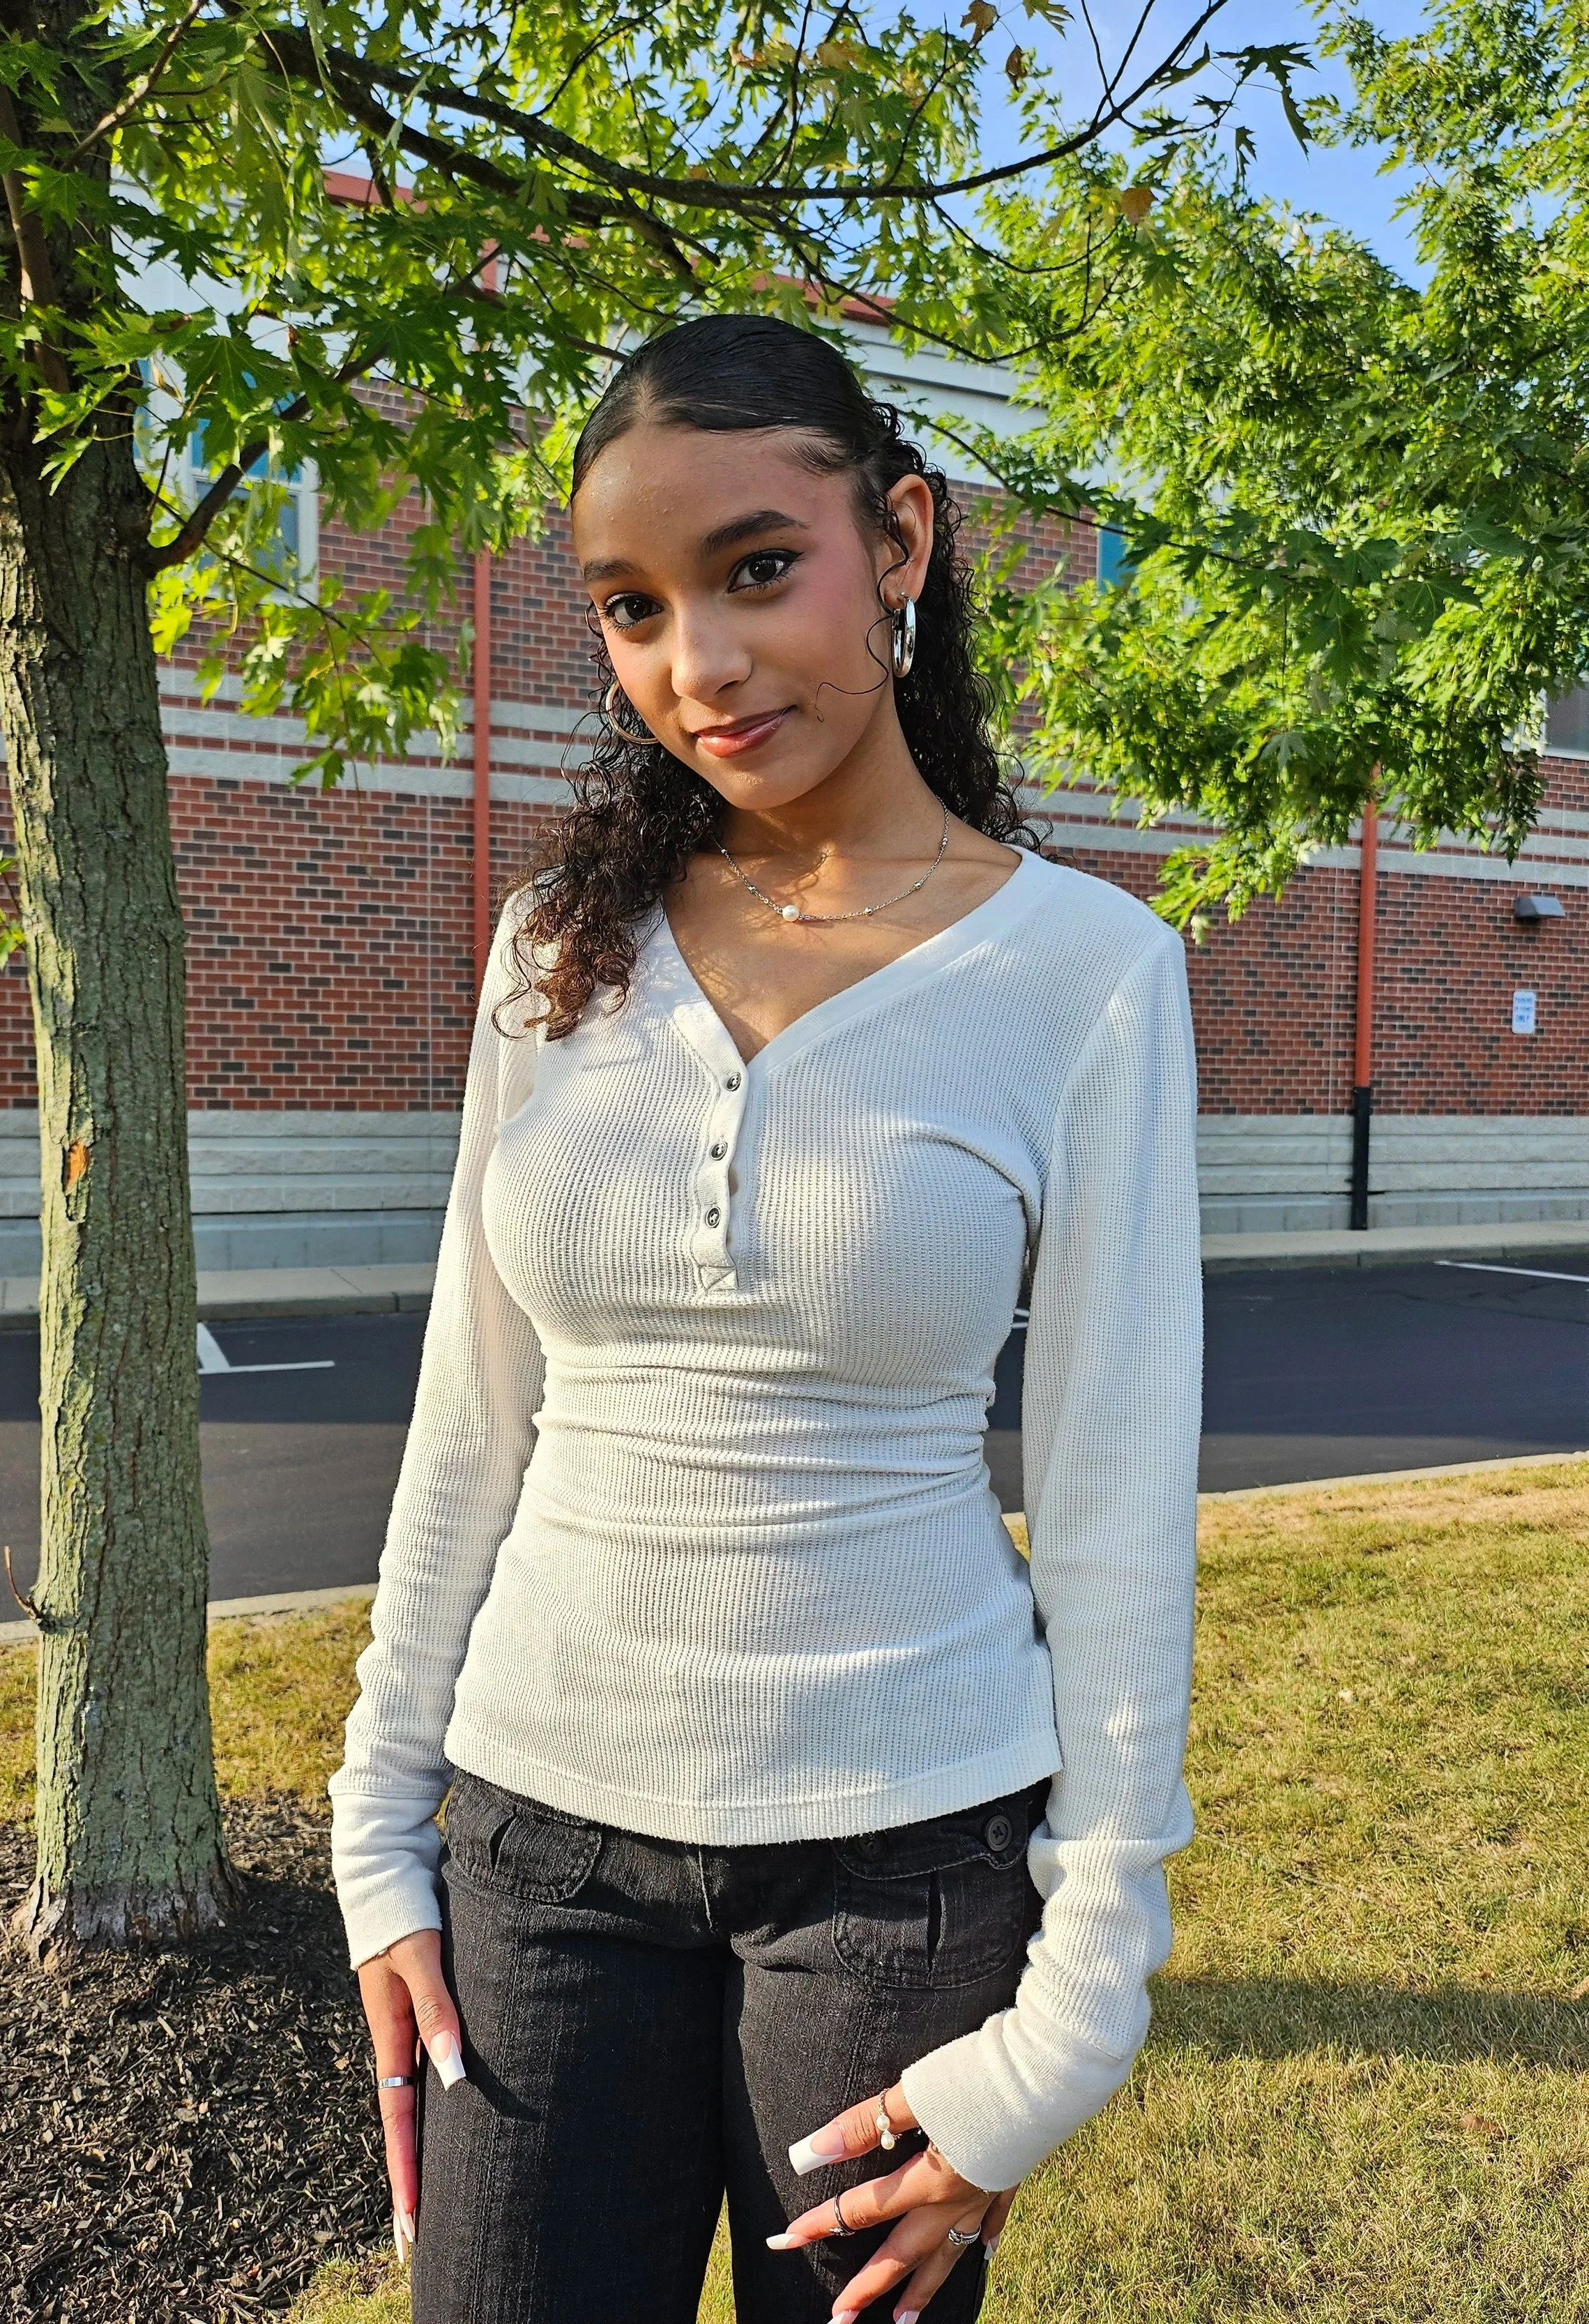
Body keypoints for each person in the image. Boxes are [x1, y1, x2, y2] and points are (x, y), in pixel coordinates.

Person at [328, 311, 1203, 2324]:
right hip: (537, 1842)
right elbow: (475, 1407)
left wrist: (1074, 2010)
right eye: (628, 609)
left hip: (897, 1860)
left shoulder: (1082, 974)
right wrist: (383, 1834)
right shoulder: (557, 948)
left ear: (897, 538)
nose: (693, 668)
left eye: (752, 568)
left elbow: (1111, 1499)